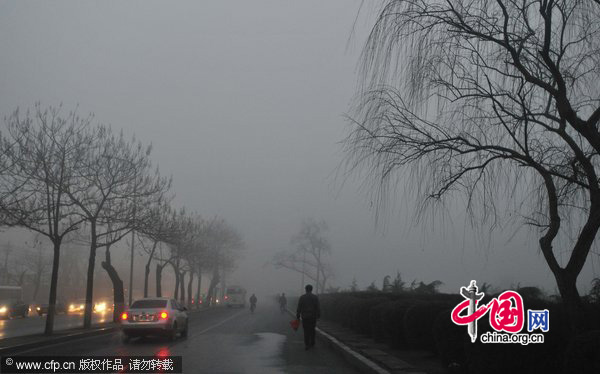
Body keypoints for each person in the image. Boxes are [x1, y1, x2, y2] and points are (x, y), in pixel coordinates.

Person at [296, 284, 320, 350]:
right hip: (313, 316)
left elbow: (299, 307)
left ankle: (307, 344)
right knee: (312, 329)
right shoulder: (315, 297)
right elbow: (317, 307)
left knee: (306, 330)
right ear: (311, 289)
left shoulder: (302, 297)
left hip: (305, 317)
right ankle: (312, 342)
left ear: (306, 289)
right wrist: (318, 315)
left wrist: (298, 315)